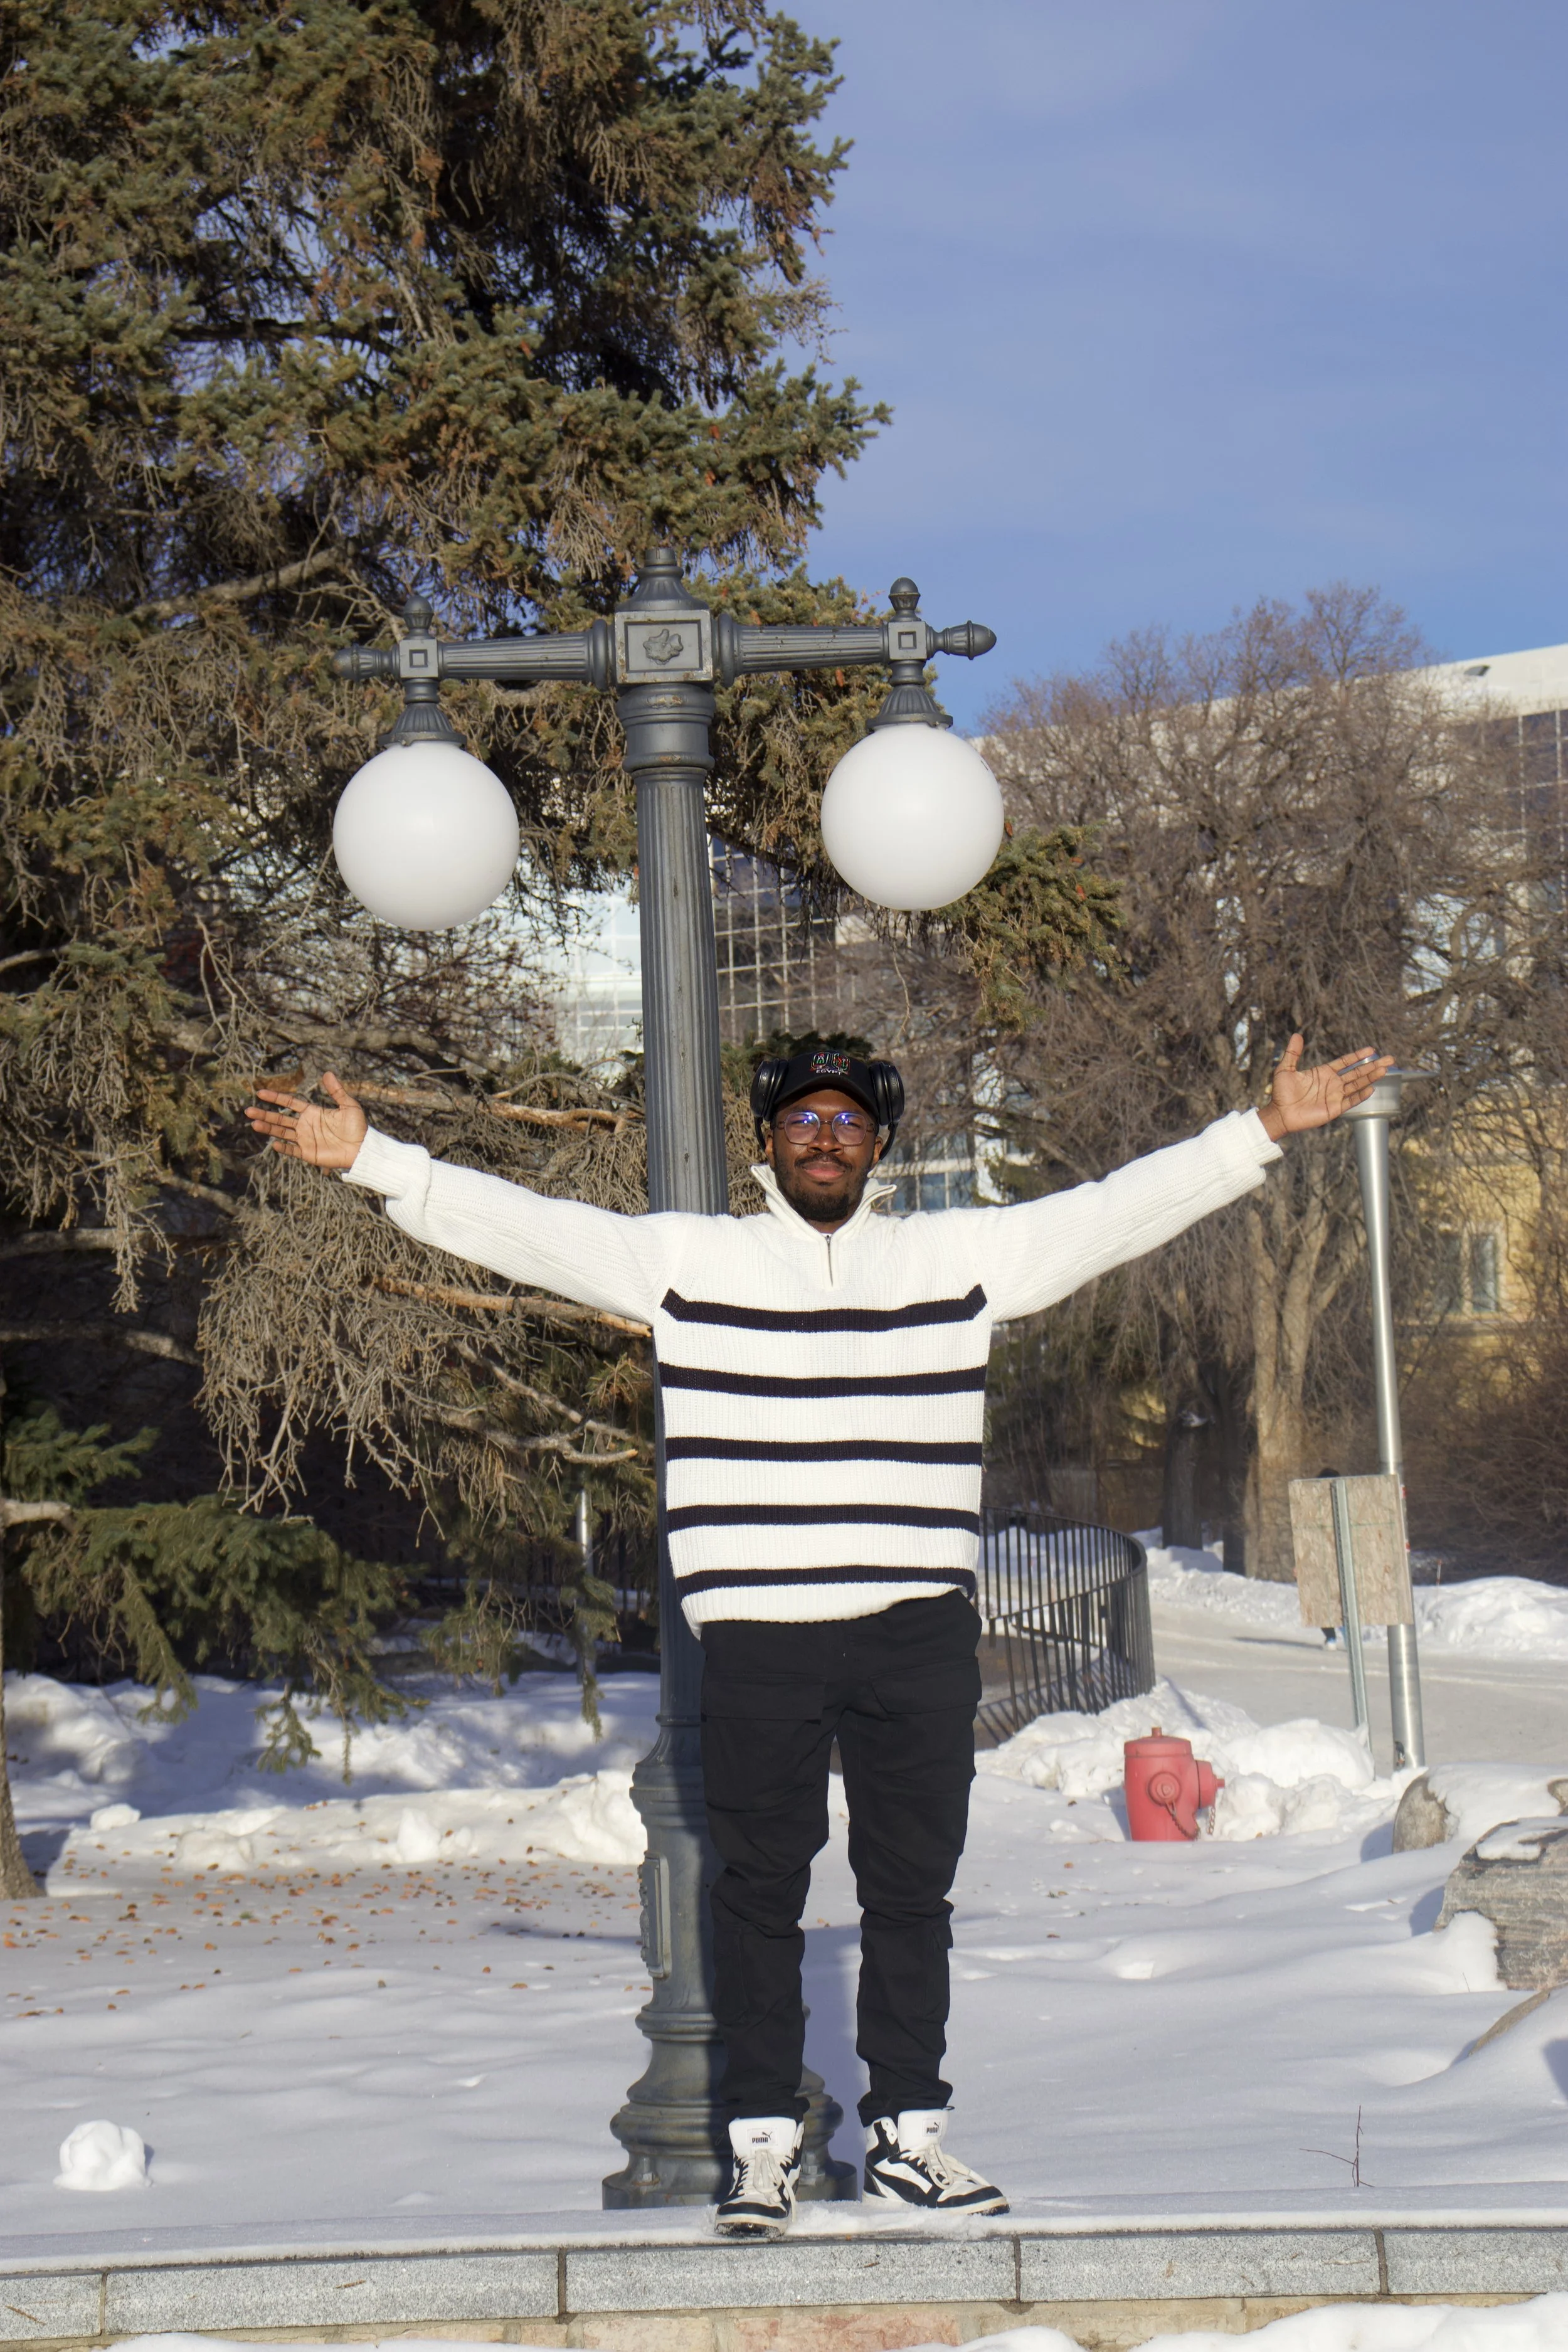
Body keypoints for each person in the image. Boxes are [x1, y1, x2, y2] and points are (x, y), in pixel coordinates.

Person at [245, 1032, 1391, 2238]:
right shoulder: (689, 1261)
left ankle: (908, 2135)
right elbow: (525, 1228)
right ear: (769, 1143)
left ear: (881, 1145)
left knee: (913, 1895)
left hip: (913, 1630)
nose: (825, 1136)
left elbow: (1114, 1211)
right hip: (762, 1636)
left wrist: (1257, 1132)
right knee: (757, 1896)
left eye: (847, 1120)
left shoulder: (960, 1256)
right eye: (802, 1120)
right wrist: (375, 1158)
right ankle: (759, 2148)